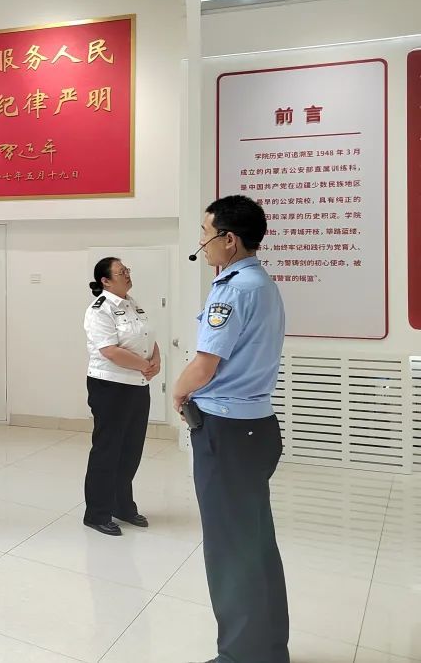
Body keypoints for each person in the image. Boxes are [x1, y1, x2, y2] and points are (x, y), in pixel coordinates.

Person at [174, 195, 288, 663]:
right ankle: (267, 648)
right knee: (254, 542)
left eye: (206, 234)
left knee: (229, 547)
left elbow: (205, 364)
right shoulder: (262, 283)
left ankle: (241, 655)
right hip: (256, 426)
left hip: (226, 429)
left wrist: (177, 391)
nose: (202, 244)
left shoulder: (232, 289)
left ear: (229, 239)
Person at [81, 257, 160, 537]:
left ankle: (122, 505)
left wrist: (156, 361)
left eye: (127, 270)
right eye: (121, 272)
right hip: (110, 386)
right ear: (105, 281)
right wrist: (145, 366)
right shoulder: (99, 309)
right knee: (108, 450)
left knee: (131, 449)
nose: (127, 274)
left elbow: (147, 338)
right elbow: (110, 351)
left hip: (137, 384)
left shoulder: (132, 304)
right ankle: (97, 513)